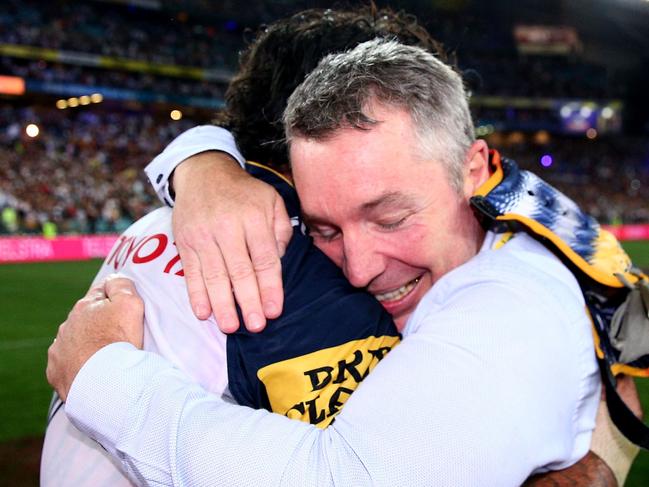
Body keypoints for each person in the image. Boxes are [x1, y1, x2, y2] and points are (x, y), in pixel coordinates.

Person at [47, 37, 625, 485]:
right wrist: (201, 157)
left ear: (473, 170)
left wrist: (101, 374)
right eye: (325, 228)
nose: (357, 268)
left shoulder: (507, 309)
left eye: (391, 218)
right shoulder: (515, 216)